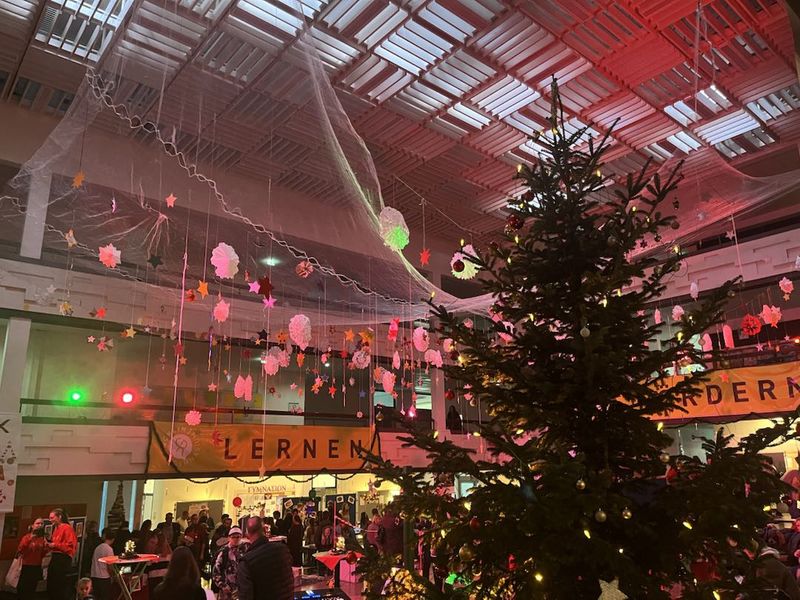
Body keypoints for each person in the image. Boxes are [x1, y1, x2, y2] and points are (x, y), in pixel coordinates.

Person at [237, 516, 294, 600]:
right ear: (264, 530)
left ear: (247, 535)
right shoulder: (283, 549)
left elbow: (245, 595)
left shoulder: (246, 562)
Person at [47, 508, 78, 600]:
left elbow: (70, 546)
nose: (50, 520)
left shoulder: (67, 528)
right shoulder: (56, 528)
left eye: (52, 517)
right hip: (55, 557)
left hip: (62, 559)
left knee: (58, 584)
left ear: (59, 517)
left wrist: (55, 545)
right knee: (51, 583)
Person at [16, 517, 49, 600]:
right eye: (37, 523)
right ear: (33, 525)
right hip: (26, 565)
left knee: (32, 588)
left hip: (36, 566)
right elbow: (20, 549)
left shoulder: (43, 539)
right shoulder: (27, 537)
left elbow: (43, 553)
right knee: (22, 587)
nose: (40, 525)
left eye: (42, 523)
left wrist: (47, 547)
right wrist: (31, 538)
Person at [212, 526, 247, 600]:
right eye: (233, 537)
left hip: (242, 589)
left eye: (238, 537)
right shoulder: (224, 552)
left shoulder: (245, 550)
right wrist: (222, 585)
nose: (236, 539)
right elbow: (216, 571)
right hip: (227, 590)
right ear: (229, 538)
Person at [90, 528, 115, 600]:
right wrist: (112, 575)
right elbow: (110, 565)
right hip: (104, 577)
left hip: (94, 576)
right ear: (113, 539)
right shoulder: (109, 549)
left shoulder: (98, 547)